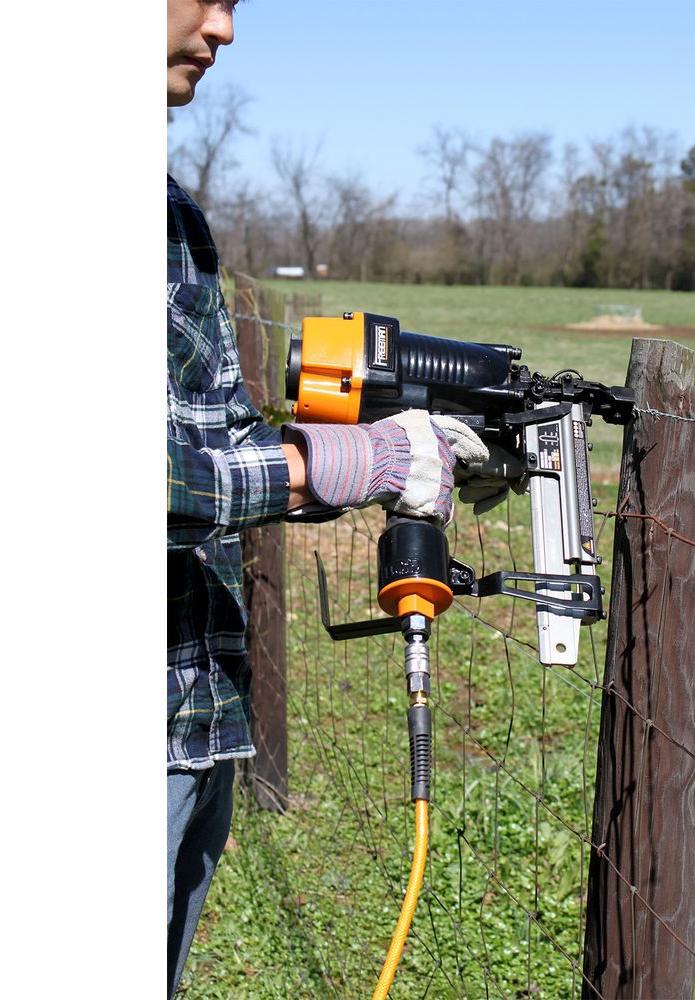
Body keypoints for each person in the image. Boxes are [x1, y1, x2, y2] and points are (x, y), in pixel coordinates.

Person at [166, 2, 498, 995]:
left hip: (189, 719)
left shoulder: (170, 216)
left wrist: (370, 454)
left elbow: (208, 448)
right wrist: (338, 468)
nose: (225, 28)